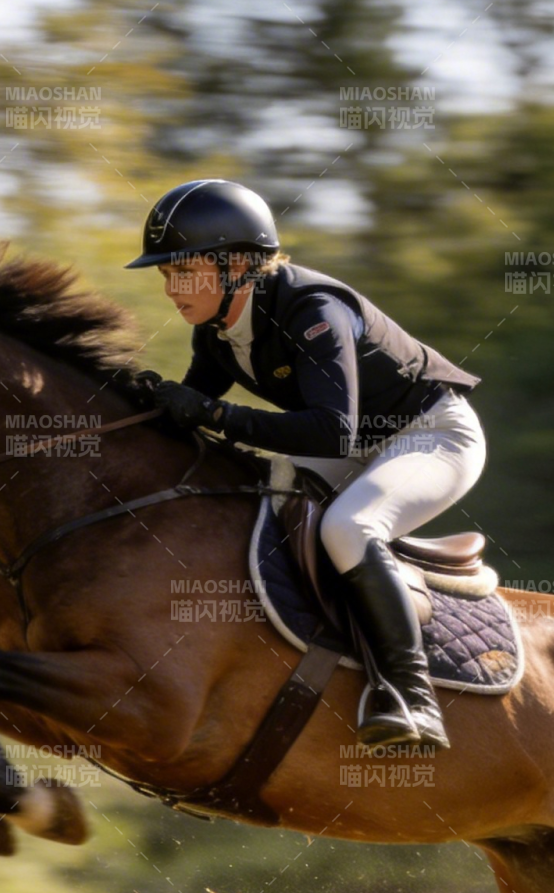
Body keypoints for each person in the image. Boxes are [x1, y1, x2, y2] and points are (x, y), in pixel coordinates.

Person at [128, 178, 486, 753]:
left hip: (432, 436)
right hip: (356, 444)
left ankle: (411, 695)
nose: (171, 290)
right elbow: (191, 413)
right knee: (252, 498)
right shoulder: (216, 330)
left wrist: (215, 411)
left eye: (182, 272)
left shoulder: (311, 309)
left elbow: (330, 431)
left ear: (238, 265)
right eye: (166, 276)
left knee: (350, 527)